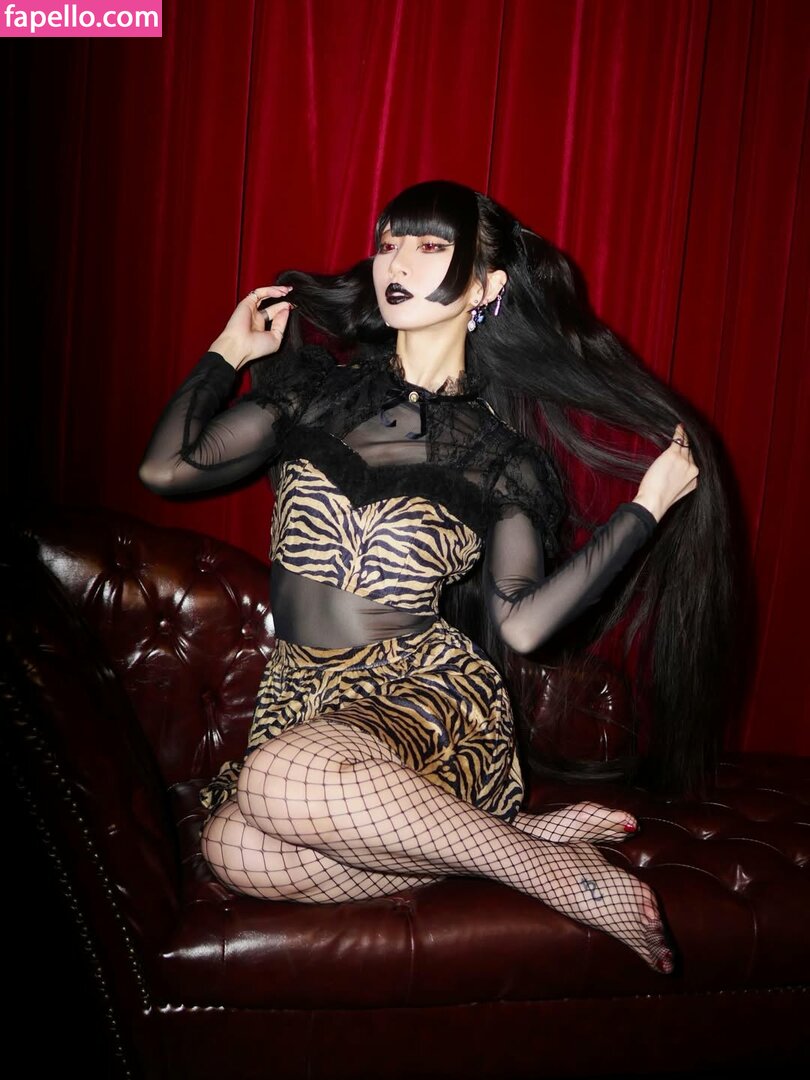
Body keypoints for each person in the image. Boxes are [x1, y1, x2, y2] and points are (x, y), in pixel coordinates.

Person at [140, 180, 728, 975]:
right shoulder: (313, 394)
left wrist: (645, 510)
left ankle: (557, 876)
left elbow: (523, 624)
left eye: (429, 246)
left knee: (280, 778)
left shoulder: (500, 459)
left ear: (484, 288)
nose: (397, 263)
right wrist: (228, 353)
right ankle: (511, 842)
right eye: (388, 243)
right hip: (305, 695)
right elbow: (167, 468)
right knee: (233, 845)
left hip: (420, 696)